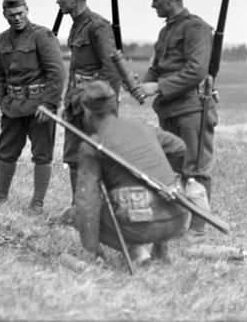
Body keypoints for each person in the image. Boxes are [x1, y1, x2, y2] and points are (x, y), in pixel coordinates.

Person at [131, 0, 216, 243]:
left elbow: (197, 70)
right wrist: (142, 86)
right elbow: (157, 69)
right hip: (169, 110)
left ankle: (199, 229)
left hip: (192, 110)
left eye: (156, 0)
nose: (152, 5)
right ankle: (178, 223)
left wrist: (158, 87)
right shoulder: (166, 30)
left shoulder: (195, 28)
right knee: (175, 169)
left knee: (195, 169)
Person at [73, 80, 189, 265]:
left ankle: (138, 255)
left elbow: (87, 203)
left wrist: (90, 249)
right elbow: (180, 148)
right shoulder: (143, 127)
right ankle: (160, 250)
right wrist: (160, 170)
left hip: (141, 225)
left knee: (76, 214)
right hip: (178, 215)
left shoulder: (92, 145)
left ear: (87, 111)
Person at [0, 0, 66, 215]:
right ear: (4, 14)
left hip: (39, 106)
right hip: (12, 106)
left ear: (27, 10)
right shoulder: (2, 39)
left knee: (42, 154)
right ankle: (0, 196)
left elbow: (57, 74)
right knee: (6, 152)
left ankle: (37, 202)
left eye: (20, 13)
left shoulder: (43, 36)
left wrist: (50, 104)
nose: (16, 18)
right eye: (11, 15)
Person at [55, 0, 121, 223]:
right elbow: (76, 70)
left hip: (94, 106)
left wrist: (95, 102)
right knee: (73, 157)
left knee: (99, 158)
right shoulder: (76, 25)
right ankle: (79, 208)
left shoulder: (98, 26)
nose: (57, 1)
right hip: (75, 103)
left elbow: (112, 70)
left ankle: (103, 213)